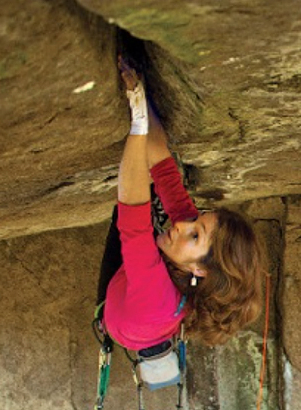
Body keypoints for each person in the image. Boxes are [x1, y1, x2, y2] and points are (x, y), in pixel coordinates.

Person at [96, 58, 264, 353]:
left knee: (131, 221)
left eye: (195, 234)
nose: (184, 225)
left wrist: (137, 124)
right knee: (155, 197)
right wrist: (140, 97)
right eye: (198, 220)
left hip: (122, 316)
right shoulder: (192, 245)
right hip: (147, 305)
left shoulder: (154, 293)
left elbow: (131, 213)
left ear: (200, 270)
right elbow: (162, 166)